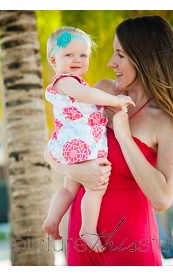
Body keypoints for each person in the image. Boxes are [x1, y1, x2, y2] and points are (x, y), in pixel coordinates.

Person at [44, 15, 173, 265]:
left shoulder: (167, 120)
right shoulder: (101, 93)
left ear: (144, 57)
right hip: (82, 237)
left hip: (129, 240)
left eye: (120, 55)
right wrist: (78, 172)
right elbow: (53, 150)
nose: (109, 62)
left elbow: (162, 199)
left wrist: (124, 136)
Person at [40, 26, 135, 253]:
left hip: (73, 147)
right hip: (81, 147)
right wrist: (115, 101)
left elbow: (85, 104)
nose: (77, 59)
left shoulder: (75, 84)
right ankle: (88, 229)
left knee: (68, 191)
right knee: (96, 187)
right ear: (53, 60)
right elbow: (86, 95)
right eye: (69, 55)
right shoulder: (64, 81)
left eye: (83, 55)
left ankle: (52, 220)